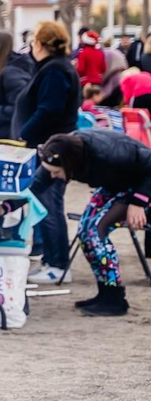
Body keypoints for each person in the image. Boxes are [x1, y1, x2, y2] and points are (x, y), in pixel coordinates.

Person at [36, 130, 151, 317]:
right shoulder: (58, 152)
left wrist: (139, 202)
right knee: (84, 231)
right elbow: (37, 184)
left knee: (95, 231)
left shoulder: (108, 152)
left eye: (57, 173)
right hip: (115, 185)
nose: (53, 177)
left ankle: (115, 299)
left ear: (68, 164)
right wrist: (7, 206)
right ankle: (105, 292)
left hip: (140, 187)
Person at [14, 21, 83, 284]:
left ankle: (58, 264)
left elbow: (49, 109)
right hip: (51, 144)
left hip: (53, 147)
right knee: (44, 202)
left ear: (41, 44)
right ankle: (52, 261)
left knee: (49, 204)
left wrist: (25, 133)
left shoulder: (55, 71)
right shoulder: (55, 68)